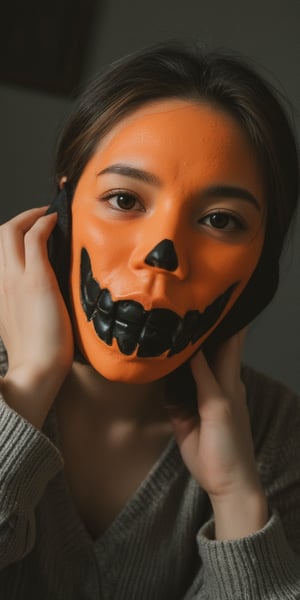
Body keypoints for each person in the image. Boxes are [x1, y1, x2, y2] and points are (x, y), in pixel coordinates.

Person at [0, 41, 299, 599]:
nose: (162, 254)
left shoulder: (276, 433)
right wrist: (27, 386)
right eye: (123, 199)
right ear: (62, 207)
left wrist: (237, 494)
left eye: (219, 219)